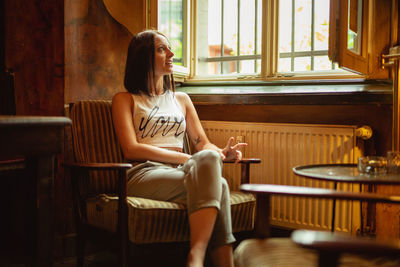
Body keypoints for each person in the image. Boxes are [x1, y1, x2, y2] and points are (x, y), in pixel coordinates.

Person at [112, 29, 246, 267]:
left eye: (169, 48)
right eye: (162, 49)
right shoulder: (125, 99)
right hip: (142, 174)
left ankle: (196, 257)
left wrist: (222, 153)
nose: (172, 54)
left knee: (213, 171)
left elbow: (202, 143)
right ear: (143, 57)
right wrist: (185, 158)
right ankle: (202, 257)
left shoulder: (181, 99)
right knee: (221, 186)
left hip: (180, 171)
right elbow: (131, 149)